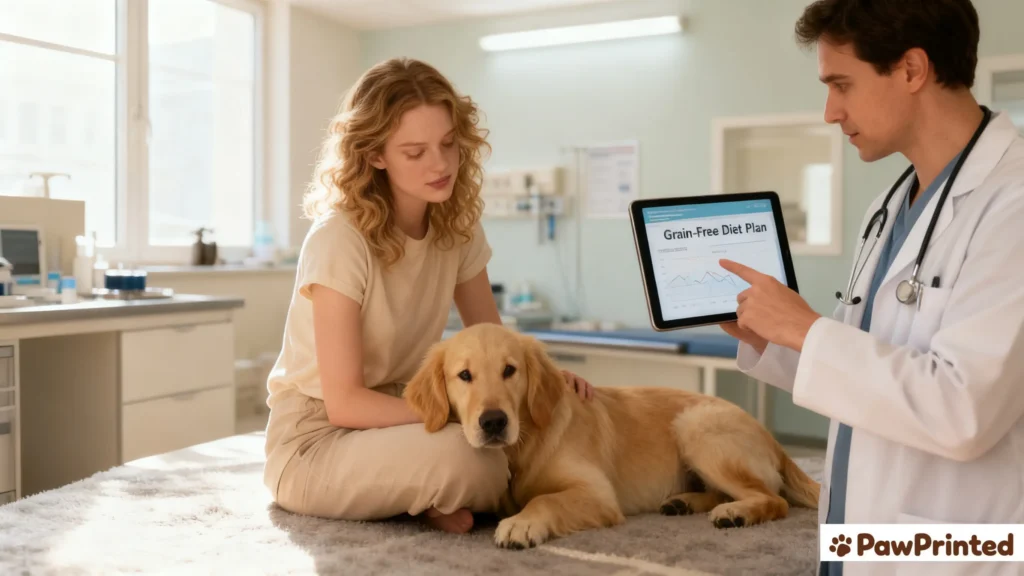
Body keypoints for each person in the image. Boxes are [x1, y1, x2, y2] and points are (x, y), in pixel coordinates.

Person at [718, 1, 1024, 574]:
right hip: (862, 533)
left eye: (842, 85)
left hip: (959, 550)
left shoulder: (1013, 205)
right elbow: (869, 366)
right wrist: (774, 336)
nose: (831, 112)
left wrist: (806, 330)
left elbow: (962, 412)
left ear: (911, 69)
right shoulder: (890, 206)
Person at [262, 57, 593, 534]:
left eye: (448, 144)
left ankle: (419, 498)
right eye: (415, 152)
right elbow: (346, 404)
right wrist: (457, 414)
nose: (440, 165)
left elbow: (492, 341)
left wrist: (541, 378)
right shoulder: (339, 238)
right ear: (375, 154)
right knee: (476, 460)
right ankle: (425, 494)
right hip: (317, 439)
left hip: (401, 419)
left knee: (523, 442)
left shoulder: (456, 227)